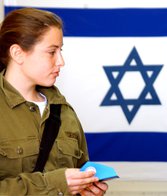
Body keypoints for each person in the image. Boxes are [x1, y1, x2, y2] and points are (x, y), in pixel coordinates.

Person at [0, 8, 108, 195]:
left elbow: (80, 173)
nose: (61, 61)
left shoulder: (65, 112)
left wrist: (87, 189)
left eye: (61, 50)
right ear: (17, 53)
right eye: (51, 52)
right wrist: (56, 183)